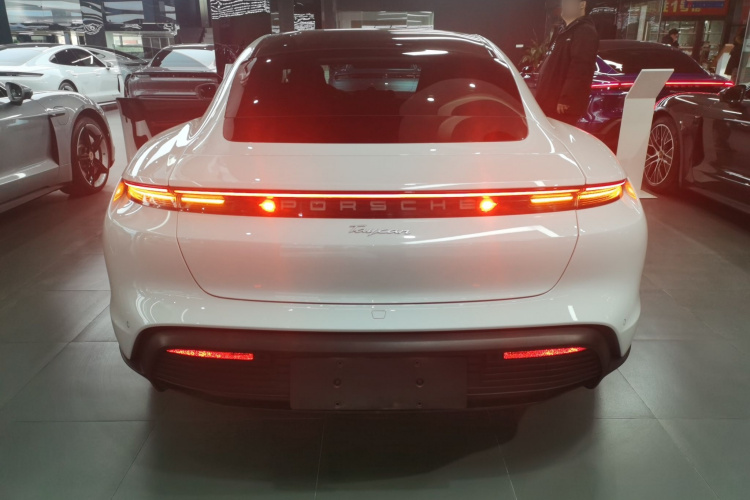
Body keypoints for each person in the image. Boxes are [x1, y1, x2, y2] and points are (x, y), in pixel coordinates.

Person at [535, 0, 599, 125]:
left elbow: (581, 67)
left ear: (582, 5)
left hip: (561, 107)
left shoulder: (585, 31)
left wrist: (567, 99)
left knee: (559, 134)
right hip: (549, 102)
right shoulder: (563, 31)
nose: (564, 5)